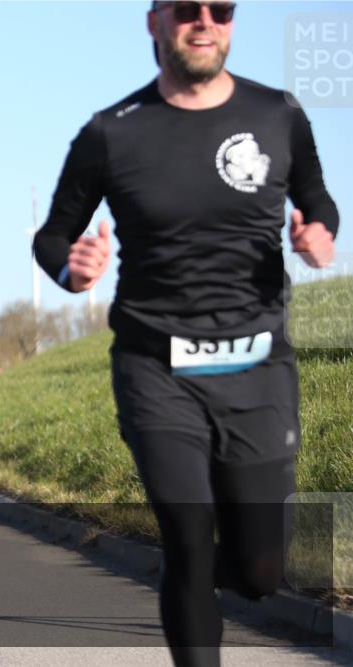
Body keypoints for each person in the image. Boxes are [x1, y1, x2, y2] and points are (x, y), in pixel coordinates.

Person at [33, 3, 339, 665]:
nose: (204, 21)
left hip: (257, 368)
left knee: (259, 571)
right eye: (186, 9)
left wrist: (319, 231)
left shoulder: (277, 114)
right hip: (156, 368)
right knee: (189, 541)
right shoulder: (110, 133)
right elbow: (53, 233)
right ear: (154, 22)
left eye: (220, 9)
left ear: (231, 23)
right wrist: (69, 266)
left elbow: (318, 198)